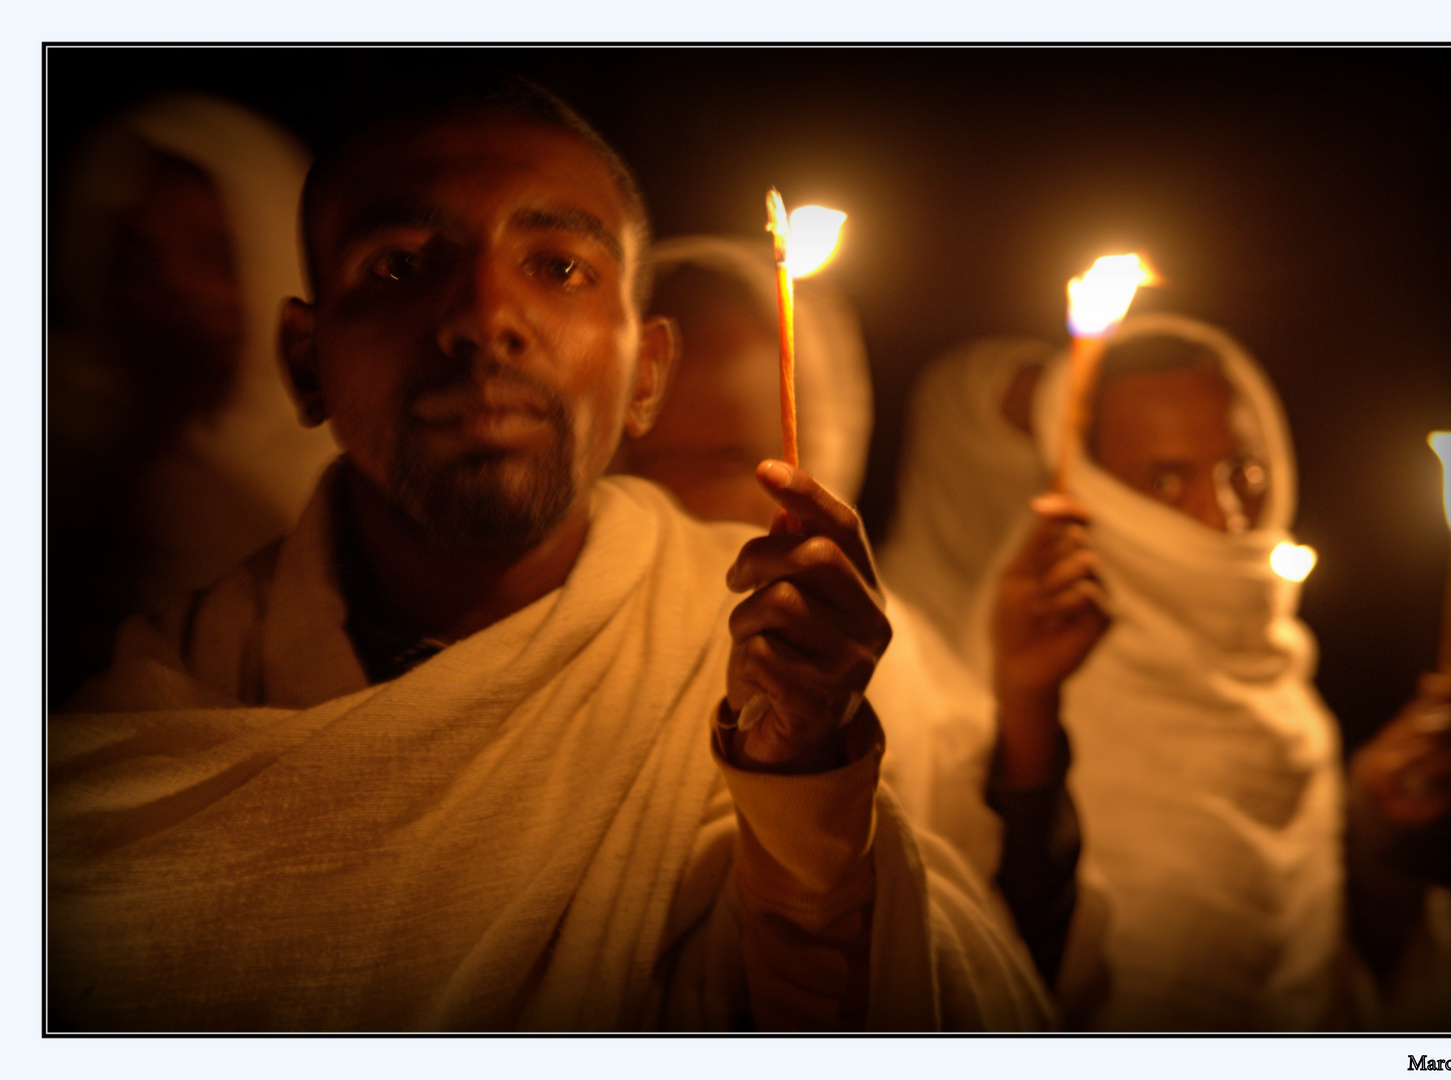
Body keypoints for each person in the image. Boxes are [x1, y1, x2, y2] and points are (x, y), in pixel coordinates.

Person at [47, 79, 1051, 1032]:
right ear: (306, 361)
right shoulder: (160, 727)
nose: (485, 320)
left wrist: (802, 770)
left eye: (559, 268)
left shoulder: (754, 656)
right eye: (401, 264)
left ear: (647, 370)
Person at [881, 313, 1451, 1031]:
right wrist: (1030, 712)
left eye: (1243, 473)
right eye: (1164, 480)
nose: (1220, 515)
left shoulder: (1282, 683)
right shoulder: (1026, 665)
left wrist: (1380, 825)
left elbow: (1317, 967)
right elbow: (1006, 952)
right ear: (1096, 489)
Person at [614, 236, 1093, 988]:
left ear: (816, 448)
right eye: (642, 465)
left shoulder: (903, 667)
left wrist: (1028, 710)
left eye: (733, 460)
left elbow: (1003, 945)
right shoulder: (564, 654)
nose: (684, 502)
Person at [49, 94, 340, 704]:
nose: (172, 288)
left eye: (210, 254)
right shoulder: (57, 451)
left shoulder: (345, 502)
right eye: (138, 255)